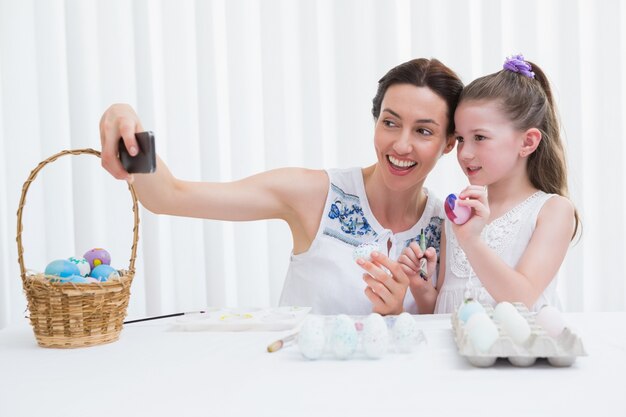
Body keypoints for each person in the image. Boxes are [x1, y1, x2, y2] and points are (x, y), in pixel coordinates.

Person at [99, 58, 463, 315]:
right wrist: (123, 117)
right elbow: (168, 196)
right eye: (390, 122)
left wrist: (396, 313)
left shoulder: (450, 227)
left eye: (424, 131)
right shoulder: (315, 194)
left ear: (449, 143)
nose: (401, 145)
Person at [398, 54, 580, 313]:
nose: (464, 153)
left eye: (480, 137)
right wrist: (421, 287)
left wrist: (472, 242)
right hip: (456, 353)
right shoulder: (460, 212)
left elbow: (522, 299)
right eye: (460, 138)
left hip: (514, 352)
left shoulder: (553, 211)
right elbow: (444, 309)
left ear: (527, 142)